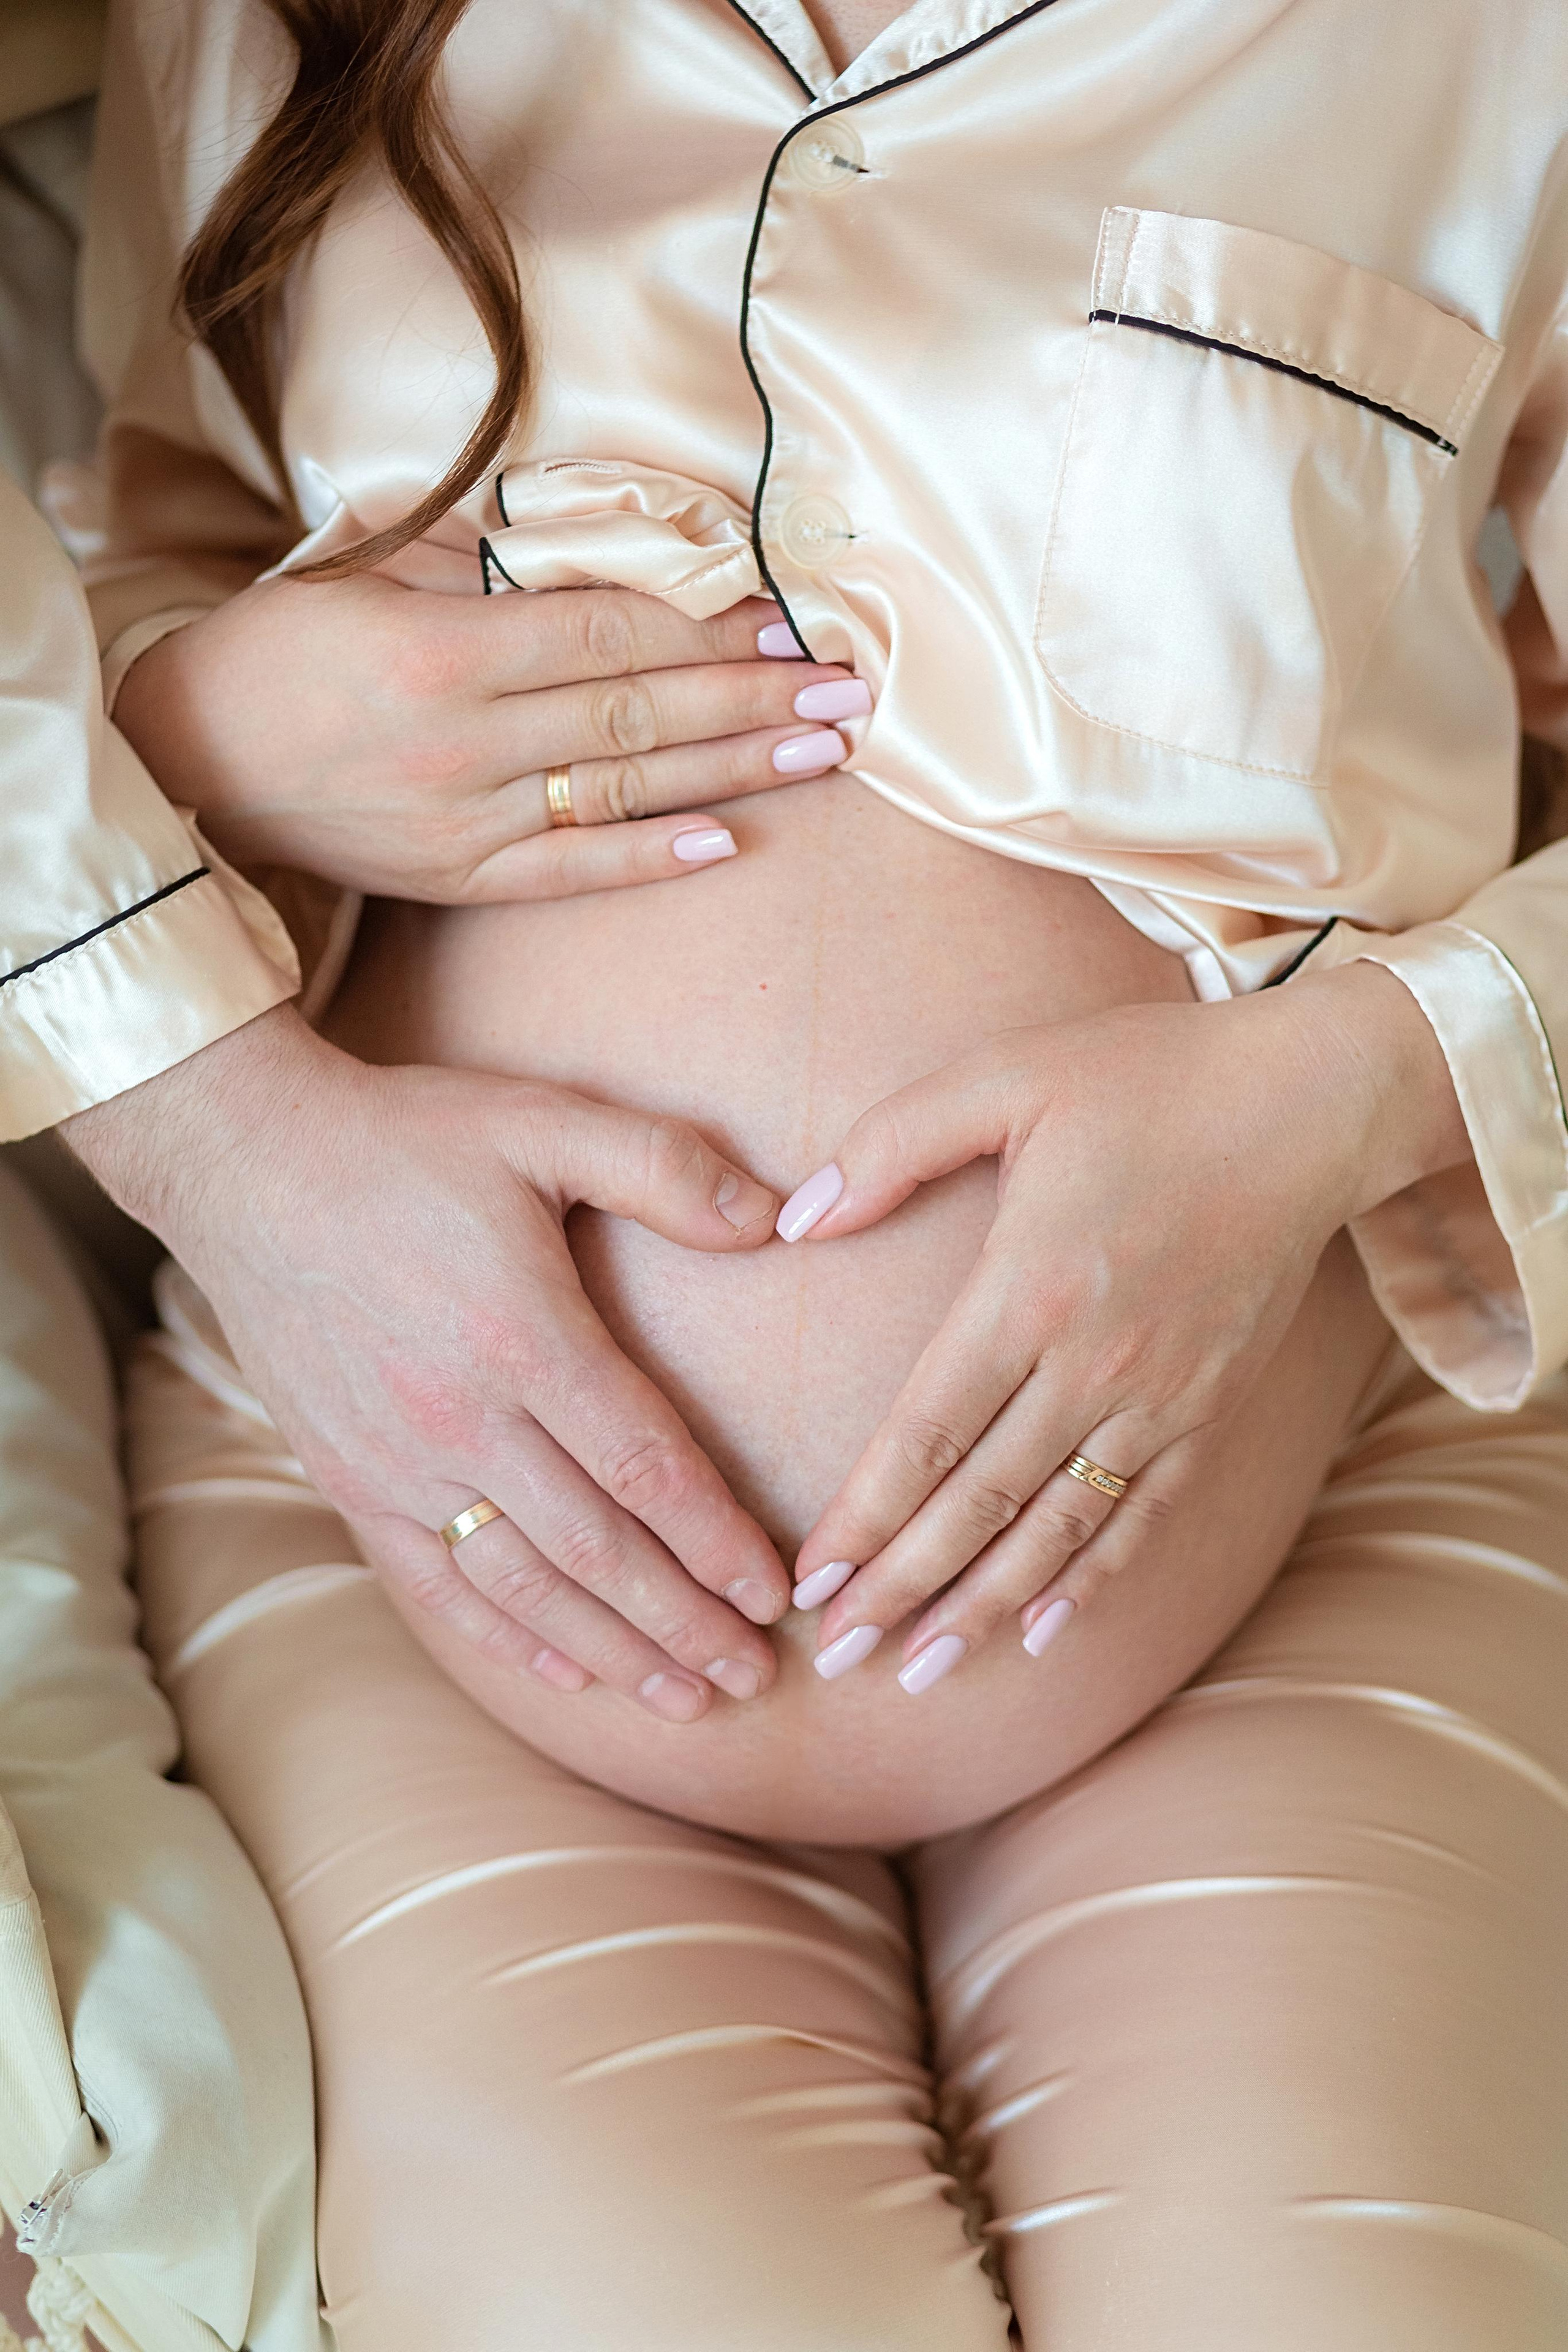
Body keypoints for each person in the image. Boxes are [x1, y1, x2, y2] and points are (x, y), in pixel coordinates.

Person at [10, 0, 1567, 2342]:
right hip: (407, 1512)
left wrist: (1348, 1084)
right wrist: (200, 722)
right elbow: (141, 541)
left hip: (1317, 1474)